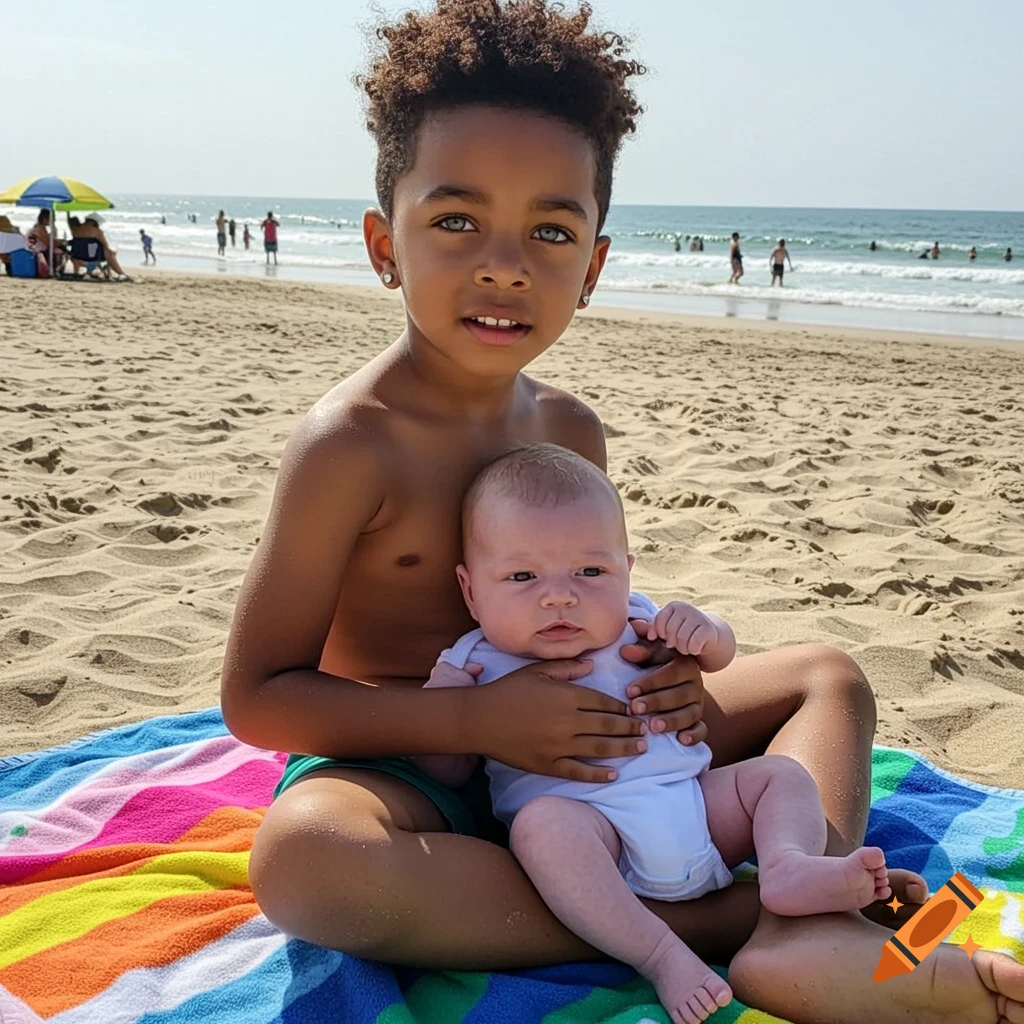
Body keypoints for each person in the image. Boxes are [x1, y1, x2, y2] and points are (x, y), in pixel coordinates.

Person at [221, 4, 1023, 1023]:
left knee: (827, 672)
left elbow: (600, 593)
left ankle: (800, 898)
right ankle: (727, 932)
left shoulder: (566, 429)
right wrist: (471, 718)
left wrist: (671, 671)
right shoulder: (349, 443)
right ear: (385, 243)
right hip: (413, 755)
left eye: (550, 230)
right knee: (306, 862)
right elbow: (258, 696)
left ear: (593, 265)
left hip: (605, 738)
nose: (504, 262)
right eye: (456, 219)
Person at [417, 444, 892, 1022]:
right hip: (599, 847)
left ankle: (788, 868)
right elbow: (445, 771)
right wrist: (451, 711)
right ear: (471, 591)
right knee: (544, 828)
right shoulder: (472, 661)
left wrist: (705, 630)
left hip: (699, 812)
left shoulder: (639, 619)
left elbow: (719, 656)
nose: (561, 595)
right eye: (521, 575)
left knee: (778, 777)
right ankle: (663, 953)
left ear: (627, 571)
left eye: (591, 571)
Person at [78, 213, 130, 280]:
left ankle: (120, 273)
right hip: (93, 257)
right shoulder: (97, 231)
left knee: (107, 252)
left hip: (78, 255)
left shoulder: (77, 230)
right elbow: (105, 245)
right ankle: (121, 273)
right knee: (109, 253)